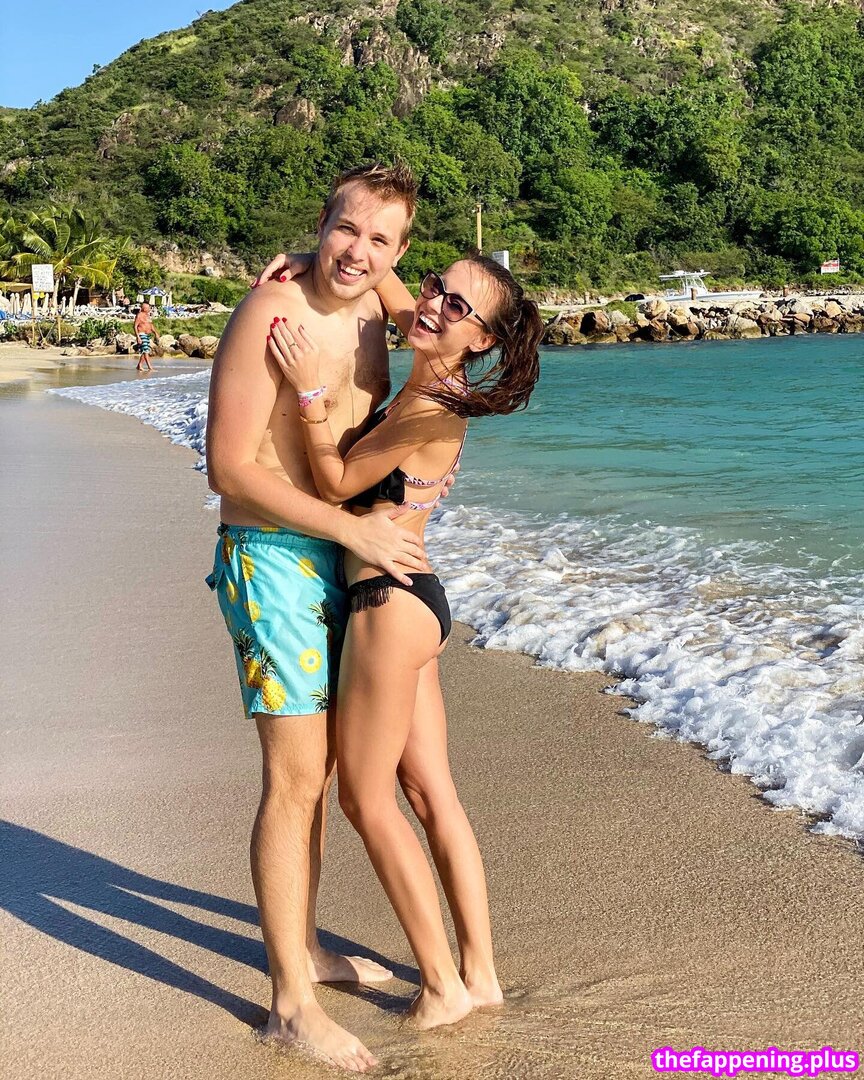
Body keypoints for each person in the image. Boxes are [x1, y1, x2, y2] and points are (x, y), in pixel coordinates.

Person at [262, 256, 543, 1029]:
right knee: (430, 794)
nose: (431, 305)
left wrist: (310, 395)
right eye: (433, 286)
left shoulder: (429, 408)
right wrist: (333, 260)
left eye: (456, 307)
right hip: (415, 601)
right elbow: (395, 293)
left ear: (481, 339)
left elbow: (333, 485)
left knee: (366, 798)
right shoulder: (435, 383)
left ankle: (444, 988)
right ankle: (480, 974)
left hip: (387, 606)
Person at [205, 163, 441, 1074]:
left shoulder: (380, 304)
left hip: (343, 556)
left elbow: (427, 326)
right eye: (345, 229)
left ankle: (301, 949)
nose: (358, 251)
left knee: (329, 769)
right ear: (321, 221)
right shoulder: (270, 311)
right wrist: (350, 528)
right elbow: (230, 467)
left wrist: (359, 260)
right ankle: (289, 1006)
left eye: (380, 239)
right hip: (271, 557)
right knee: (296, 777)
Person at [134, 302, 156, 372]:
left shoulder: (148, 316)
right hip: (141, 334)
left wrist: (155, 333)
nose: (150, 309)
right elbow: (135, 326)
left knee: (145, 350)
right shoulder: (139, 315)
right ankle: (150, 367)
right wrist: (138, 337)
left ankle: (139, 365)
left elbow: (151, 325)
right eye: (148, 308)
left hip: (147, 335)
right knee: (146, 351)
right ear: (144, 308)